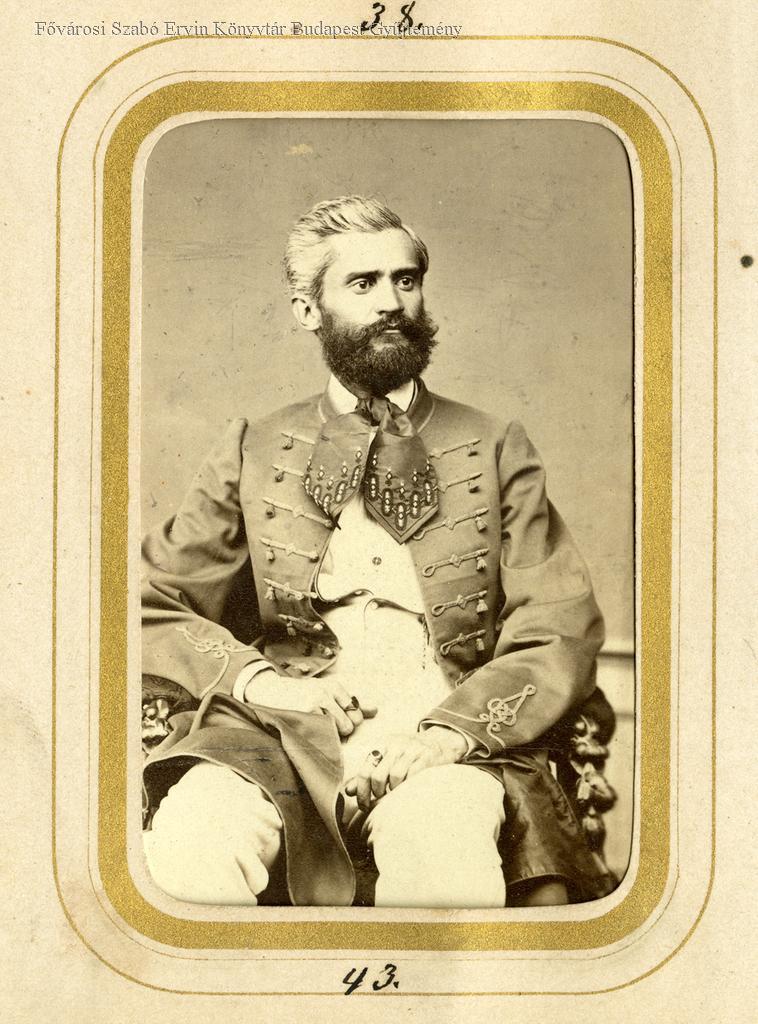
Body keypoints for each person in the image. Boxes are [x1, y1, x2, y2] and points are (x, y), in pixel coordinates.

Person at [141, 195, 613, 909]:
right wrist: (266, 685)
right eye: (363, 283)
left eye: (406, 280)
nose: (392, 302)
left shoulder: (494, 445)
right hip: (281, 734)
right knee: (192, 839)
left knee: (439, 844)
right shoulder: (252, 447)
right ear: (309, 309)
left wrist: (448, 735)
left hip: (443, 730)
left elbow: (558, 624)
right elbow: (150, 603)